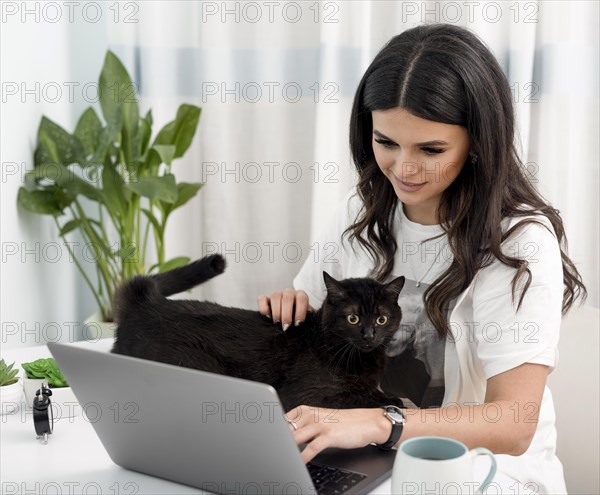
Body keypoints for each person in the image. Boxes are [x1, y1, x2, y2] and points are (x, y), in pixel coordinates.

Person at [257, 23, 586, 494]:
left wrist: (380, 423)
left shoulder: (518, 243)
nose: (403, 169)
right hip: (366, 458)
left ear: (479, 143)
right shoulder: (360, 214)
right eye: (386, 142)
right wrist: (288, 309)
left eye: (431, 149)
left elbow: (513, 424)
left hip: (482, 471)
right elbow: (315, 340)